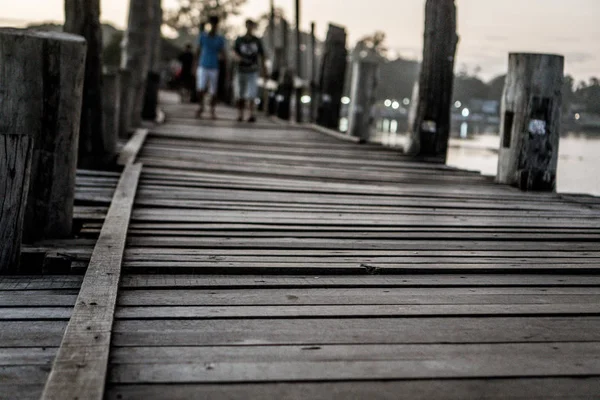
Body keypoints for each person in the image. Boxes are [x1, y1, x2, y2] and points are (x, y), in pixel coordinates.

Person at [233, 19, 267, 123]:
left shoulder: (257, 41)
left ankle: (251, 114)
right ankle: (240, 114)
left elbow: (262, 56)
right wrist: (238, 58)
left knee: (252, 94)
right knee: (240, 94)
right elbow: (234, 52)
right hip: (241, 70)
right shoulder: (239, 39)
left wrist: (264, 71)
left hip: (253, 70)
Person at [196, 16, 226, 119]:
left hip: (214, 67)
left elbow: (223, 53)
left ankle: (212, 111)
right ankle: (201, 106)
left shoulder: (219, 39)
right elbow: (198, 50)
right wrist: (194, 65)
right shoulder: (203, 36)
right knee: (201, 88)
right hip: (203, 65)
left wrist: (224, 62)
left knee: (213, 91)